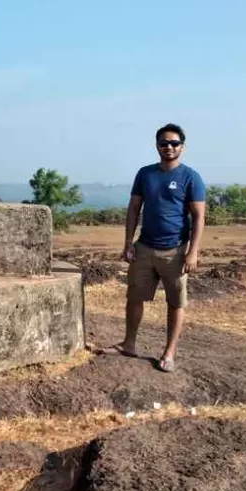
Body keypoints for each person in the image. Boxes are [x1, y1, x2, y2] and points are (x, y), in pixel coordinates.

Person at [97, 123, 206, 372]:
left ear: (182, 147)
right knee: (134, 297)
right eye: (164, 143)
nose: (169, 147)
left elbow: (199, 217)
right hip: (144, 248)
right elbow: (134, 209)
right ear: (157, 146)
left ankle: (169, 352)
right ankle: (129, 344)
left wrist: (193, 251)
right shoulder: (145, 174)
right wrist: (128, 243)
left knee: (175, 302)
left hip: (176, 251)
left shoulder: (191, 177)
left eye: (174, 143)